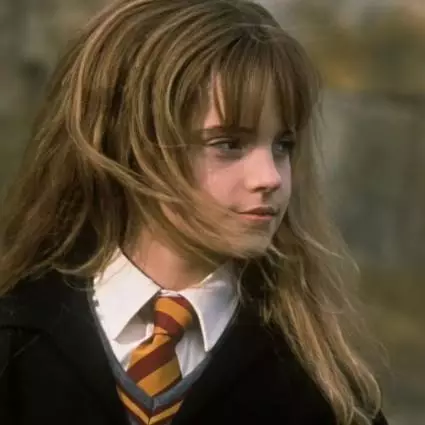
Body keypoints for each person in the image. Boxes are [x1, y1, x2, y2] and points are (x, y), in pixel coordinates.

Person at [0, 0, 388, 424]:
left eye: (283, 145)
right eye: (228, 144)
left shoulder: (322, 388)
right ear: (130, 146)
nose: (271, 177)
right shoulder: (16, 340)